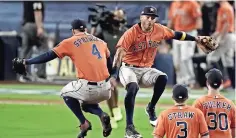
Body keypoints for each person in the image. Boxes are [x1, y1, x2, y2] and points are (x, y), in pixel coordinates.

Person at [112, 6, 214, 138]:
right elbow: (119, 53)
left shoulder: (159, 29)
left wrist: (195, 39)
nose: (150, 20)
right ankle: (129, 128)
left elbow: (177, 34)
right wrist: (114, 74)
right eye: (147, 17)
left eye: (152, 17)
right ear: (141, 17)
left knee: (162, 77)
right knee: (132, 88)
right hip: (128, 68)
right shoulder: (131, 33)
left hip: (146, 69)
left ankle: (151, 107)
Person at [13, 19, 117, 138]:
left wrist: (27, 61)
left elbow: (49, 55)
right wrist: (114, 77)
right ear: (86, 30)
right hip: (106, 89)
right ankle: (101, 114)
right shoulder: (101, 42)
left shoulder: (71, 41)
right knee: (86, 105)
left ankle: (84, 123)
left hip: (88, 87)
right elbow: (111, 67)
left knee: (65, 93)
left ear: (73, 31)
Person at [89, 6, 125, 128]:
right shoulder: (104, 33)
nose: (119, 19)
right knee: (110, 86)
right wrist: (94, 26)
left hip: (121, 63)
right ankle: (113, 112)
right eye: (117, 16)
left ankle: (114, 110)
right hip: (105, 63)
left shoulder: (124, 31)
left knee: (113, 86)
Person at [168, 0, 203, 86]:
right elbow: (171, 20)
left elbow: (198, 19)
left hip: (189, 32)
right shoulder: (174, 4)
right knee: (177, 60)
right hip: (177, 34)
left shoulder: (192, 3)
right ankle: (180, 81)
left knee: (185, 57)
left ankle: (190, 81)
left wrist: (199, 34)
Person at [193, 68, 236, 138]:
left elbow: (193, 129)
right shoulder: (230, 104)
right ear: (221, 83)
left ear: (207, 83)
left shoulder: (199, 103)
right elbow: (234, 129)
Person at [207, 0, 235, 88]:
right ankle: (233, 84)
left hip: (226, 36)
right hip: (228, 35)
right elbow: (219, 28)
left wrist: (220, 38)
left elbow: (226, 25)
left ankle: (224, 81)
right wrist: (212, 37)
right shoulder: (223, 7)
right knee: (228, 62)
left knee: (211, 58)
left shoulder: (225, 7)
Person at [20, 1, 48, 80]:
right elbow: (37, 11)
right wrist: (39, 27)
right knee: (44, 48)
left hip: (25, 25)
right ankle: (41, 74)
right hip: (33, 25)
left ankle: (22, 74)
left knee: (26, 50)